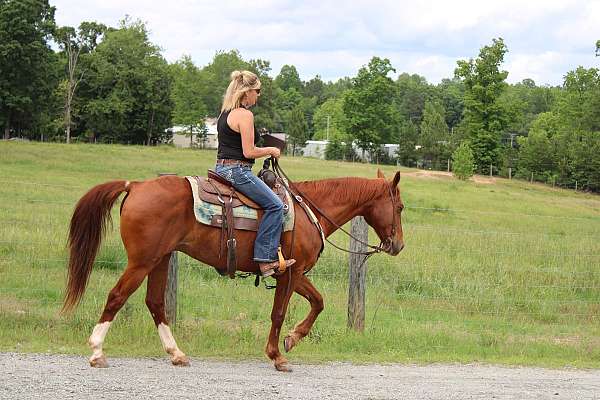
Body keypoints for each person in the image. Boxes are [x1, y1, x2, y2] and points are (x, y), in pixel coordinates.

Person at [214, 70, 296, 277]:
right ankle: (266, 260)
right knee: (276, 205)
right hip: (237, 170)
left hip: (221, 168)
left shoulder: (225, 113)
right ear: (247, 91)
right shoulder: (245, 115)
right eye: (257, 91)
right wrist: (271, 150)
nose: (258, 95)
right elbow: (248, 152)